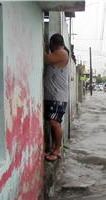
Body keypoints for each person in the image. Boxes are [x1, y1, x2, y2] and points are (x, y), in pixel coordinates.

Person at [43, 33, 69, 161]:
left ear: (53, 44)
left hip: (58, 96)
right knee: (53, 122)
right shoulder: (59, 53)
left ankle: (58, 149)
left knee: (54, 122)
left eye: (50, 45)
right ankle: (54, 148)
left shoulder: (62, 53)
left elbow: (46, 59)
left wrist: (41, 45)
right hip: (53, 96)